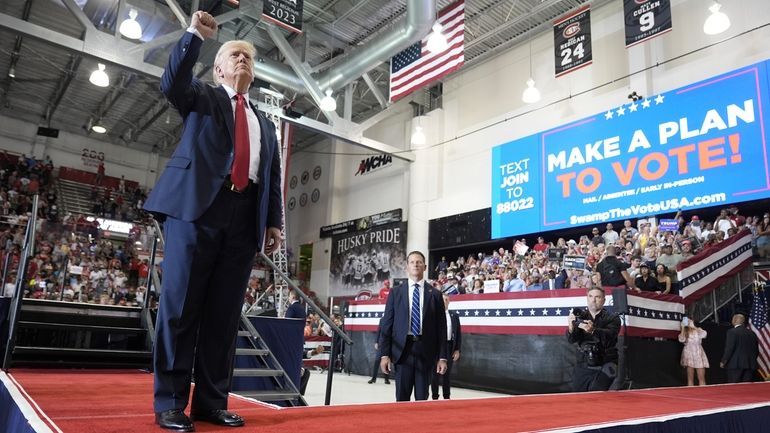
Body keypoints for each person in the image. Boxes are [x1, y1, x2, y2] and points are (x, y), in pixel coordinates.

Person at [145, 11, 283, 432]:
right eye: (234, 55)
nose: (242, 59)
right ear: (220, 67)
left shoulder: (266, 124)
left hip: (244, 221)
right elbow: (172, 82)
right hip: (196, 212)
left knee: (224, 317)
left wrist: (273, 223)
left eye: (248, 57)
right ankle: (170, 402)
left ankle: (210, 402)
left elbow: (271, 177)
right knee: (181, 309)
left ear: (254, 74)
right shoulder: (202, 98)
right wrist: (194, 36)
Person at [379, 251, 448, 401]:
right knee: (402, 399)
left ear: (425, 266)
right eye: (412, 262)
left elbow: (441, 328)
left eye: (419, 262)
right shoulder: (395, 293)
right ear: (407, 267)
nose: (415, 264)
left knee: (422, 400)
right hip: (402, 352)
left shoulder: (435, 294)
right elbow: (387, 325)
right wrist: (384, 355)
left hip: (426, 352)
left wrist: (442, 357)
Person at [567, 287, 621, 392]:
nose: (593, 300)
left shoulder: (613, 317)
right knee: (578, 397)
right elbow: (571, 340)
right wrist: (571, 327)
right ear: (587, 298)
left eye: (597, 297)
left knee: (597, 394)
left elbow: (610, 336)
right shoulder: (580, 316)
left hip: (607, 362)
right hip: (584, 363)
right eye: (590, 296)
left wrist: (593, 330)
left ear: (604, 300)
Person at [431, 293, 462, 400]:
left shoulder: (454, 316)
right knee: (435, 374)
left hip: (449, 347)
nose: (444, 301)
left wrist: (457, 349)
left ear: (449, 302)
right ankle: (435, 396)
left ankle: (446, 397)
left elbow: (458, 333)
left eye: (446, 300)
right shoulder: (434, 315)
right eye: (443, 299)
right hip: (436, 348)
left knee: (447, 375)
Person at [720, 313, 759, 383]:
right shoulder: (752, 333)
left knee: (734, 387)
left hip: (735, 365)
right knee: (746, 388)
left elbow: (730, 348)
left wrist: (724, 361)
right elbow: (756, 350)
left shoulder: (732, 332)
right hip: (750, 364)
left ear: (734, 320)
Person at [678, 317, 709, 386]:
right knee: (690, 378)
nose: (689, 321)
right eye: (687, 320)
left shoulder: (698, 330)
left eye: (690, 320)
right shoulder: (684, 332)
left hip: (698, 354)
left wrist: (694, 327)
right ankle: (690, 392)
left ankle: (704, 393)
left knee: (701, 378)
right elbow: (681, 340)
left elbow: (704, 334)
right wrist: (683, 327)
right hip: (689, 355)